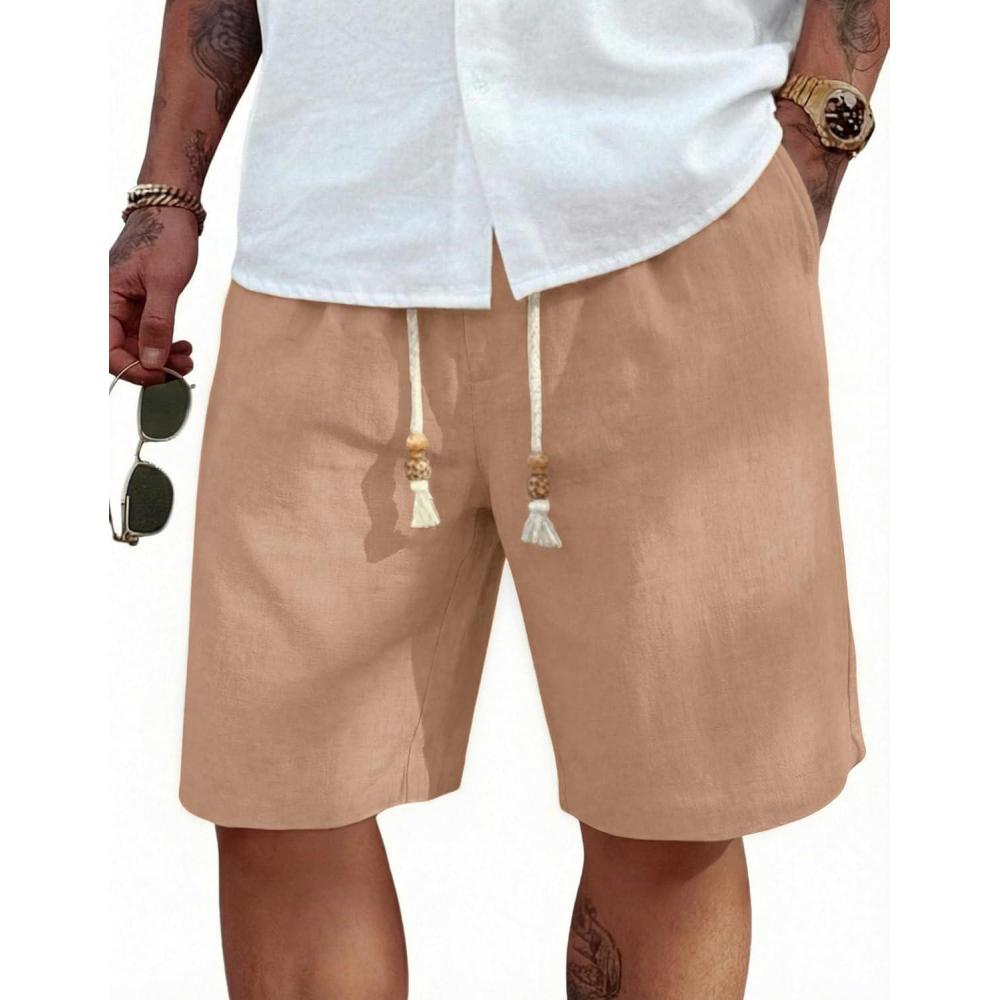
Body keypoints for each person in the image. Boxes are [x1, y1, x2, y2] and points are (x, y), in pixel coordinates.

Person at [109, 2, 888, 996]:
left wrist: (807, 156)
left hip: (669, 212)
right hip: (328, 234)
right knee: (278, 797)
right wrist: (166, 193)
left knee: (668, 816)